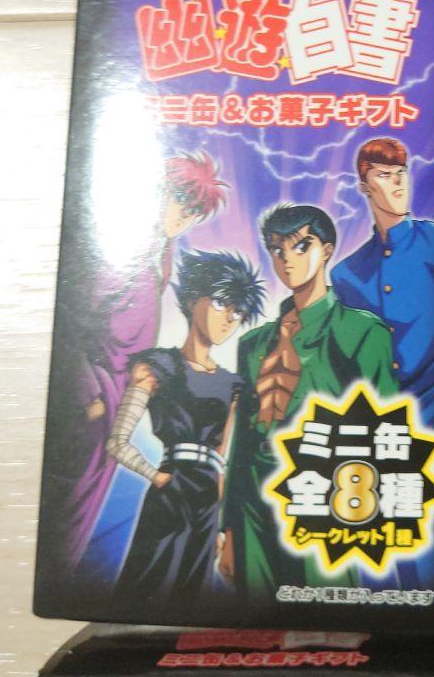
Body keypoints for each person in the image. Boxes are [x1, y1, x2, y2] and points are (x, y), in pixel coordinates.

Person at [43, 152, 228, 577]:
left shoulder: (156, 254)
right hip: (87, 406)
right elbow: (66, 323)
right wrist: (89, 397)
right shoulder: (114, 254)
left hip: (110, 408)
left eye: (196, 211)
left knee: (77, 520)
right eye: (181, 200)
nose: (186, 216)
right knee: (62, 521)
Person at [219, 203, 398, 603]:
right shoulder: (252, 343)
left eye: (302, 246)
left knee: (328, 607)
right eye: (277, 249)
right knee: (258, 614)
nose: (288, 259)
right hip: (253, 500)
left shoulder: (361, 332)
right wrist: (228, 529)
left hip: (323, 494)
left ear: (327, 250)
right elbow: (241, 443)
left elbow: (387, 433)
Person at [106, 250, 265, 608]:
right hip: (171, 492)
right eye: (221, 302)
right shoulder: (157, 366)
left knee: (193, 592)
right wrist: (158, 477)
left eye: (238, 311)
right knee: (148, 584)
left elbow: (222, 459)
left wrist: (222, 526)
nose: (229, 318)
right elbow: (116, 442)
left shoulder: (232, 384)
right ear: (193, 300)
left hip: (208, 502)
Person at [333, 139, 434, 432]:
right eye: (384, 175)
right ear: (364, 186)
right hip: (380, 420)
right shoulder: (346, 274)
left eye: (402, 172)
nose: (398, 182)